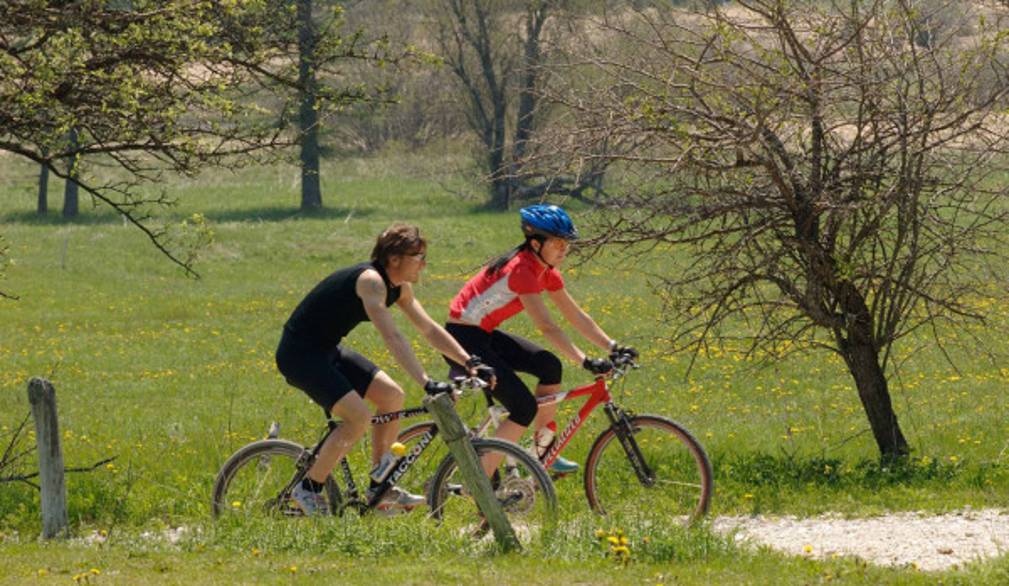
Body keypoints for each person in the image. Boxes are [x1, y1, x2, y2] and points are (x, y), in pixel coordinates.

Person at [276, 223, 488, 515]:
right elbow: (392, 336)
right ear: (394, 259)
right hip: (299, 354)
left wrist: (469, 361)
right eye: (419, 256)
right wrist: (426, 382)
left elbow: (427, 328)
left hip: (326, 349)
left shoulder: (399, 287)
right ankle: (309, 489)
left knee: (391, 395)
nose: (424, 263)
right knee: (357, 417)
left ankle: (380, 483)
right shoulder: (371, 281)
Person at [445, 204, 634, 474]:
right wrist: (584, 361)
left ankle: (542, 451)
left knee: (548, 365)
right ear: (535, 243)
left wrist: (613, 346)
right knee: (523, 408)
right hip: (461, 339)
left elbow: (575, 315)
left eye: (566, 243)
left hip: (482, 334)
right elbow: (547, 326)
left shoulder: (544, 270)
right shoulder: (522, 270)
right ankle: (478, 480)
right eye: (558, 243)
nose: (564, 249)